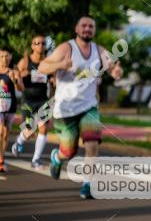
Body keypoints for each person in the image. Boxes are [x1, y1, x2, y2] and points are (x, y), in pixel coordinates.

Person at [38, 16, 122, 199]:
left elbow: (113, 66)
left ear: (94, 30)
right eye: (83, 25)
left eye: (91, 26)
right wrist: (61, 64)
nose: (87, 29)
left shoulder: (99, 51)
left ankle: (87, 184)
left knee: (92, 143)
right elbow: (42, 67)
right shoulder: (65, 48)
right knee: (69, 151)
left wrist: (116, 72)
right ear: (76, 29)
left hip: (89, 107)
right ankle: (57, 157)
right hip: (65, 109)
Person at [10, 35, 53, 168]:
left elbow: (53, 79)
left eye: (43, 43)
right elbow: (17, 80)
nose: (40, 46)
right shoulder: (25, 61)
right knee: (30, 131)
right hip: (28, 100)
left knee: (44, 128)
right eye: (37, 43)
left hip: (43, 100)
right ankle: (19, 141)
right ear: (32, 46)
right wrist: (19, 77)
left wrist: (54, 82)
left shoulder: (48, 62)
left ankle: (36, 160)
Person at [0, 50, 22, 173]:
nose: (4, 58)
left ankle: (1, 159)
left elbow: (21, 88)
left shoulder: (14, 72)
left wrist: (15, 81)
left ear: (10, 58)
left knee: (6, 133)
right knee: (0, 131)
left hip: (10, 106)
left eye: (6, 56)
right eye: (1, 56)